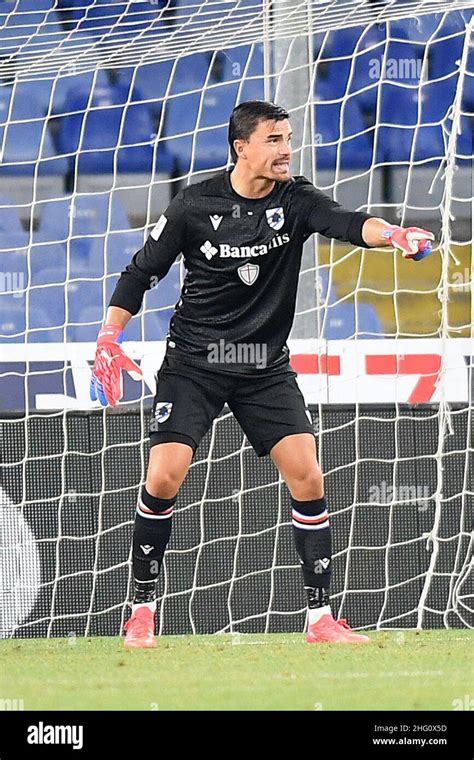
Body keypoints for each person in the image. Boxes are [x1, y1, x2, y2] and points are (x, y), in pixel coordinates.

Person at [90, 101, 434, 648]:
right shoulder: (194, 204)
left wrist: (392, 234)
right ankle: (141, 608)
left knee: (308, 476)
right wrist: (110, 335)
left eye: (288, 138)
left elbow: (345, 222)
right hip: (196, 363)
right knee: (163, 477)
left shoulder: (295, 199)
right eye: (274, 140)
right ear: (241, 148)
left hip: (262, 367)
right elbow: (141, 272)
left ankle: (320, 618)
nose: (286, 150)